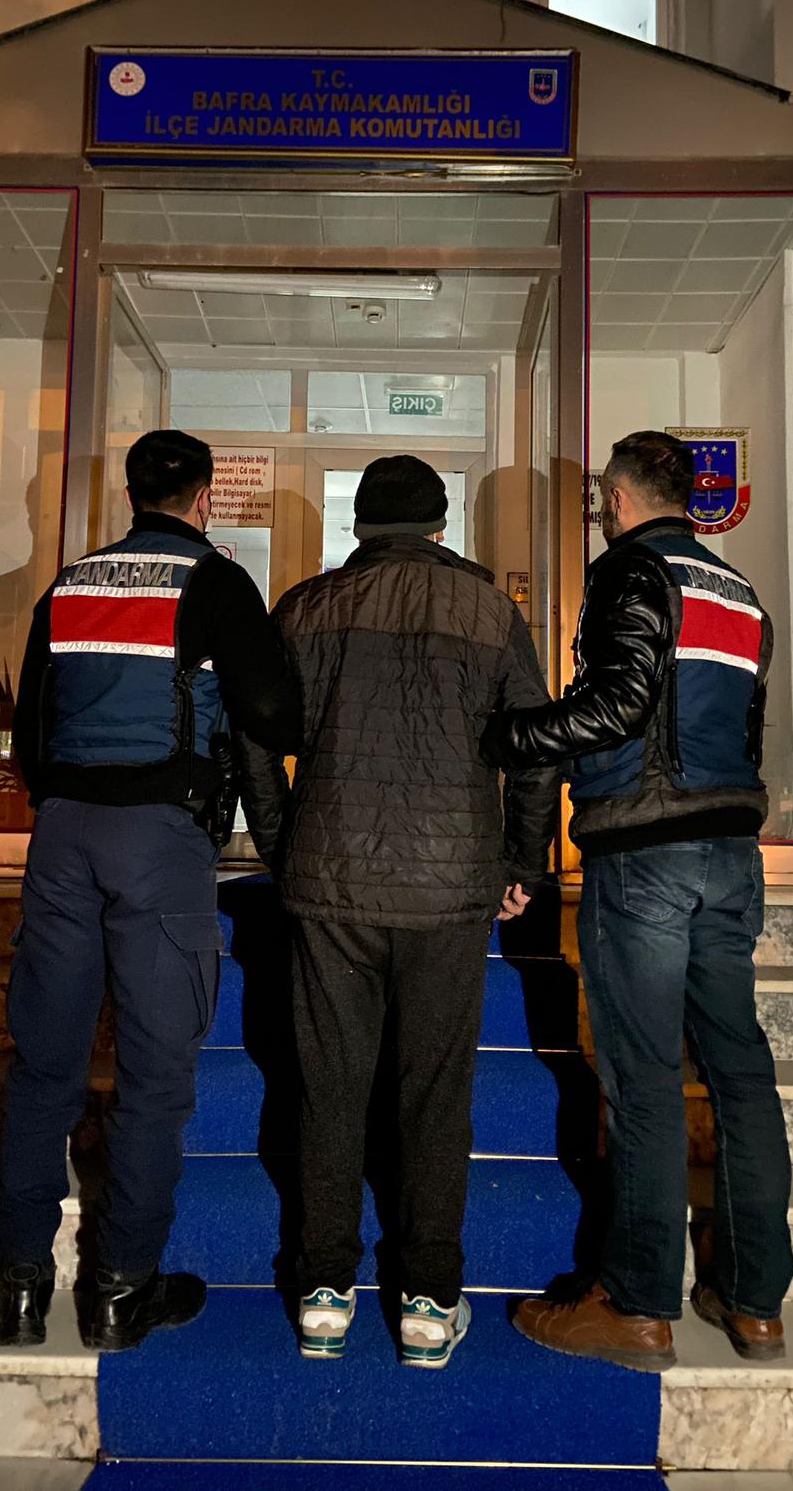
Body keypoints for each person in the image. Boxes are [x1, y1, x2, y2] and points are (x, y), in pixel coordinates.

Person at [481, 430, 792, 1372]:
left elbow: (615, 706)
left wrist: (501, 735)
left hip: (647, 854)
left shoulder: (629, 571)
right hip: (730, 854)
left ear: (617, 500)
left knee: (646, 1079)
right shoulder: (739, 592)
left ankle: (638, 1304)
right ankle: (753, 1301)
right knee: (739, 1073)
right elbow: (744, 726)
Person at [239, 455, 558, 1370]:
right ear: (441, 525)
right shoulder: (490, 612)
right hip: (451, 886)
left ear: (361, 527)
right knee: (435, 1093)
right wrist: (521, 862)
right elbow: (536, 747)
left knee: (328, 1088)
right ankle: (427, 1299)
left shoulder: (306, 608)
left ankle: (323, 1295)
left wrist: (281, 844)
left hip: (331, 879)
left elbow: (253, 737)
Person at [0, 430, 298, 1352]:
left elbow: (31, 722)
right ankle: (121, 1290)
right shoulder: (215, 582)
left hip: (63, 836)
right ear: (203, 498)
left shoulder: (71, 582)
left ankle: (19, 1284)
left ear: (129, 496)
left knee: (45, 1065)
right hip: (158, 842)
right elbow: (273, 712)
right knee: (154, 1077)